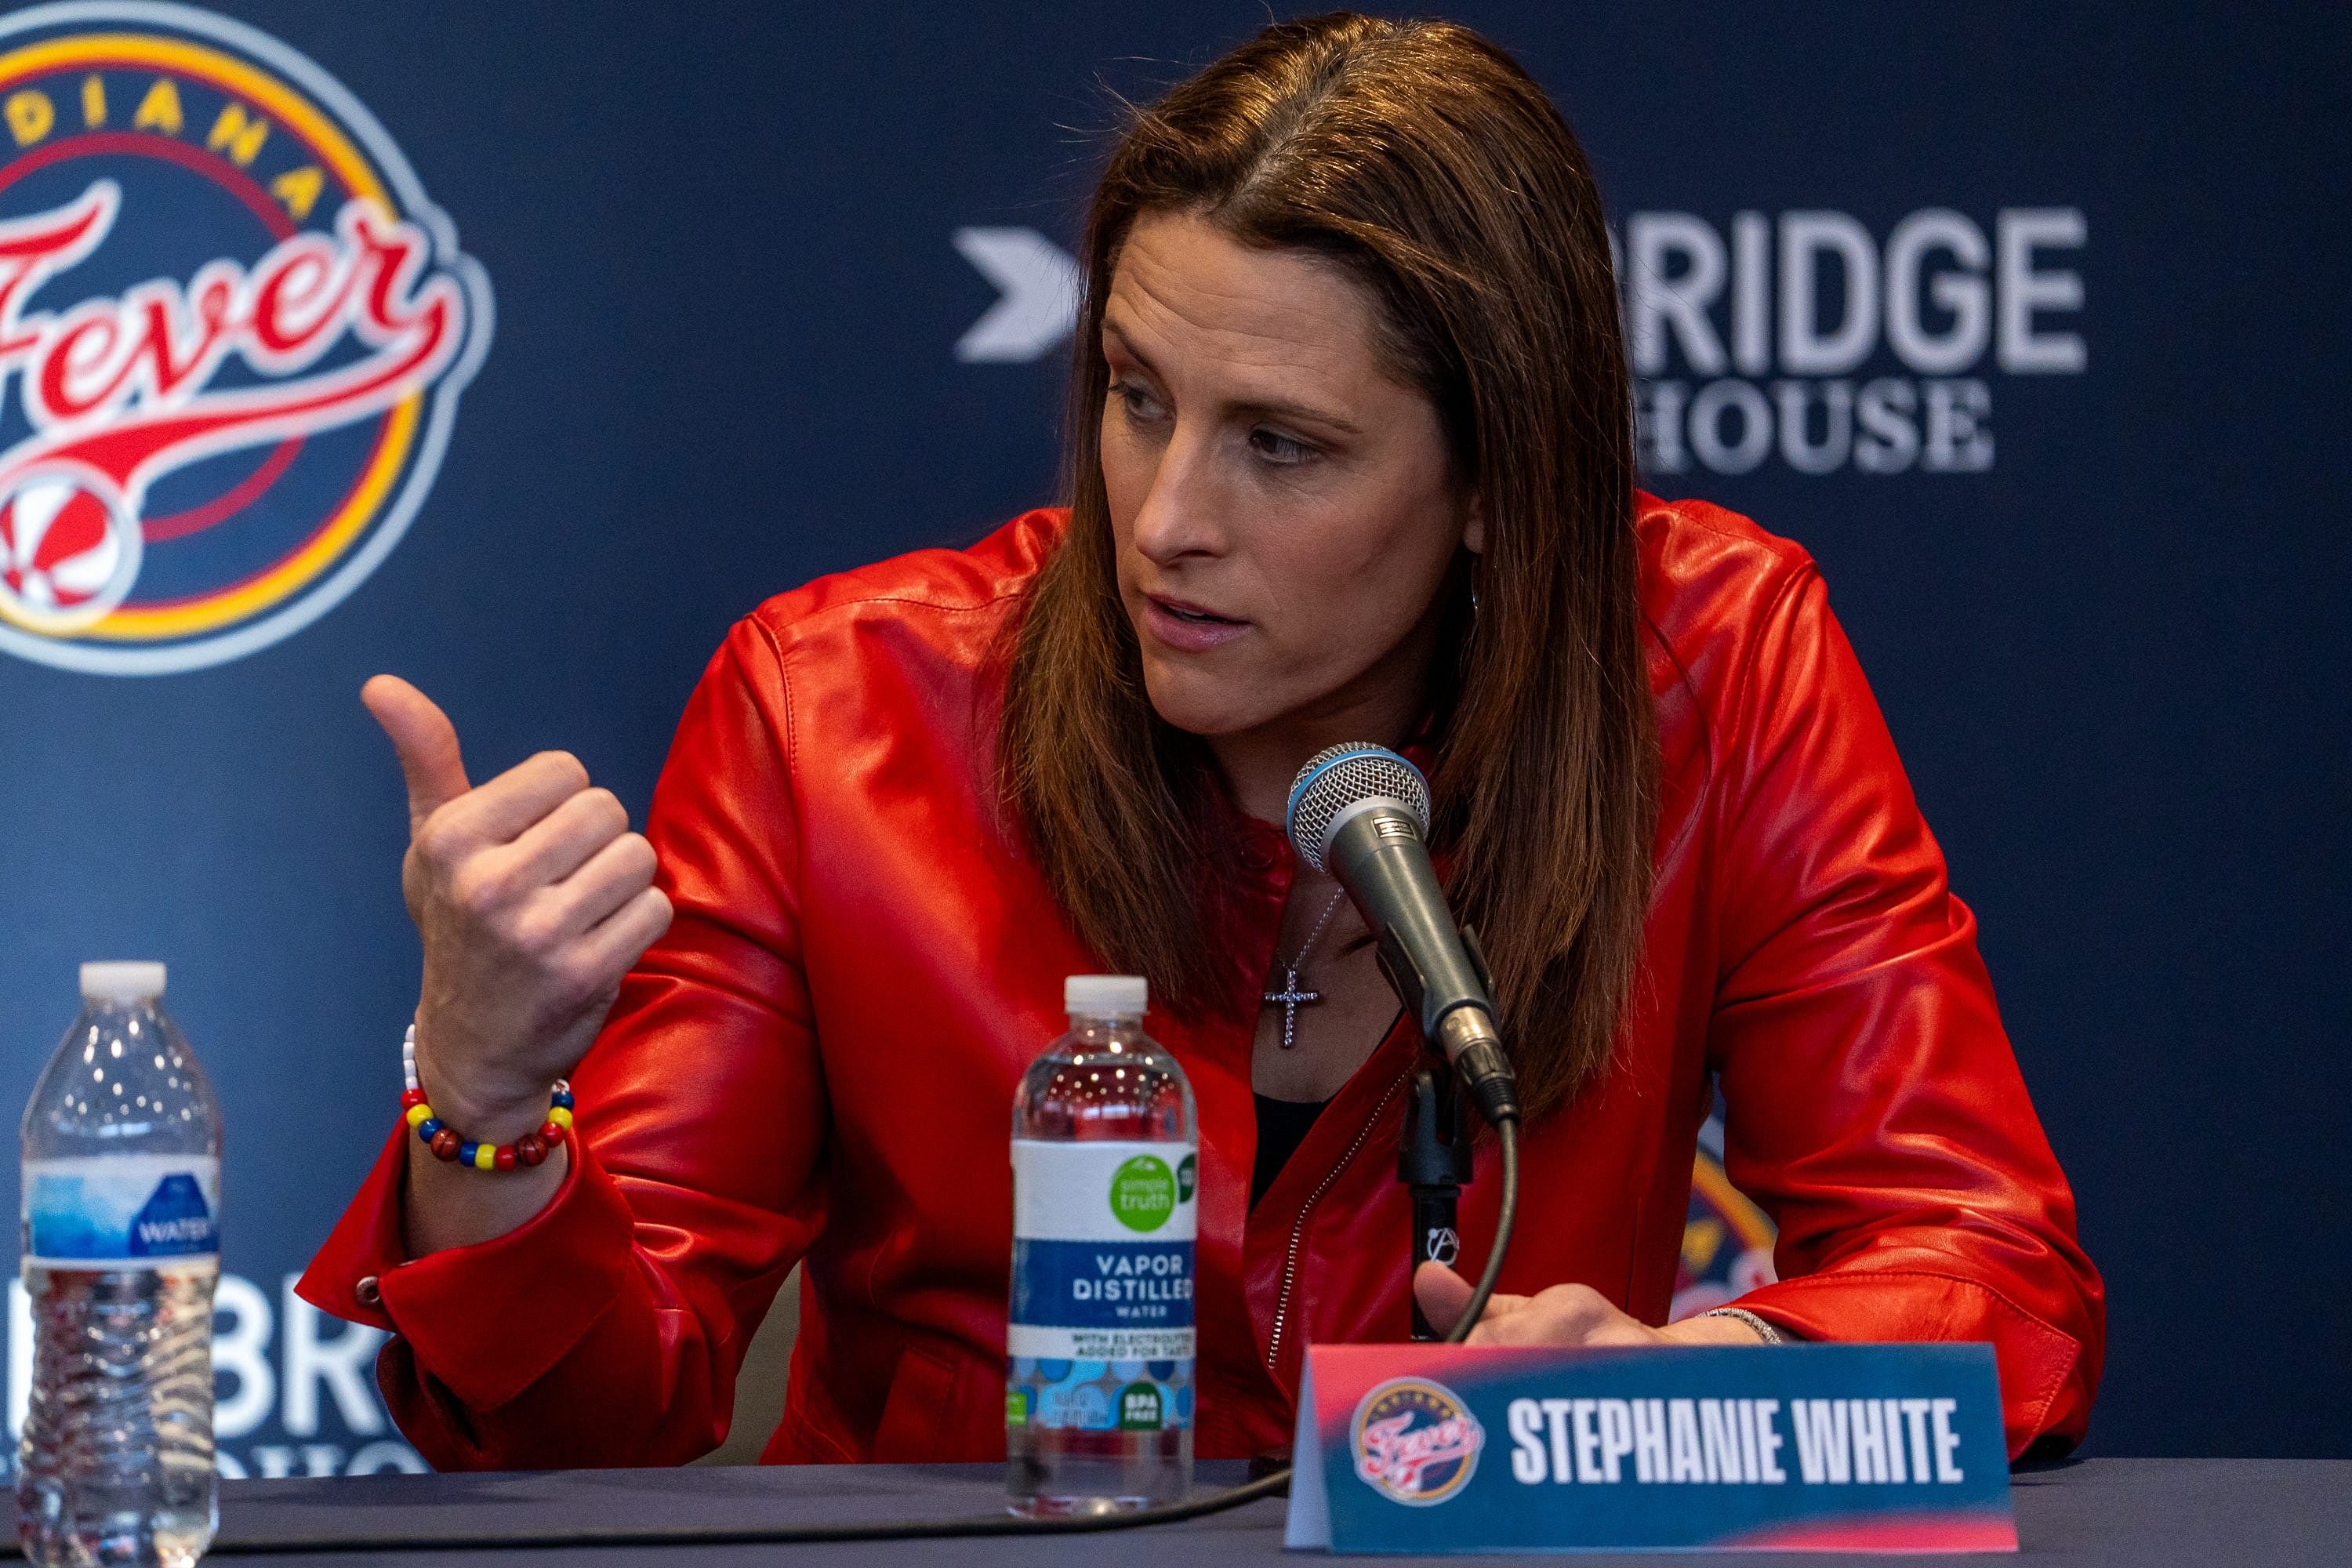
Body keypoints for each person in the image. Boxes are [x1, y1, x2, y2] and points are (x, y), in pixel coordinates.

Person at [299, 13, 2103, 1469]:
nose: (1161, 519)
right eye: (1136, 399)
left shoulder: (1710, 657)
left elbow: (1995, 1275)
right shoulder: (837, 708)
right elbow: (587, 1419)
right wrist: (481, 1104)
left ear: (1496, 478)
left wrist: (1696, 1377)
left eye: (1283, 445)